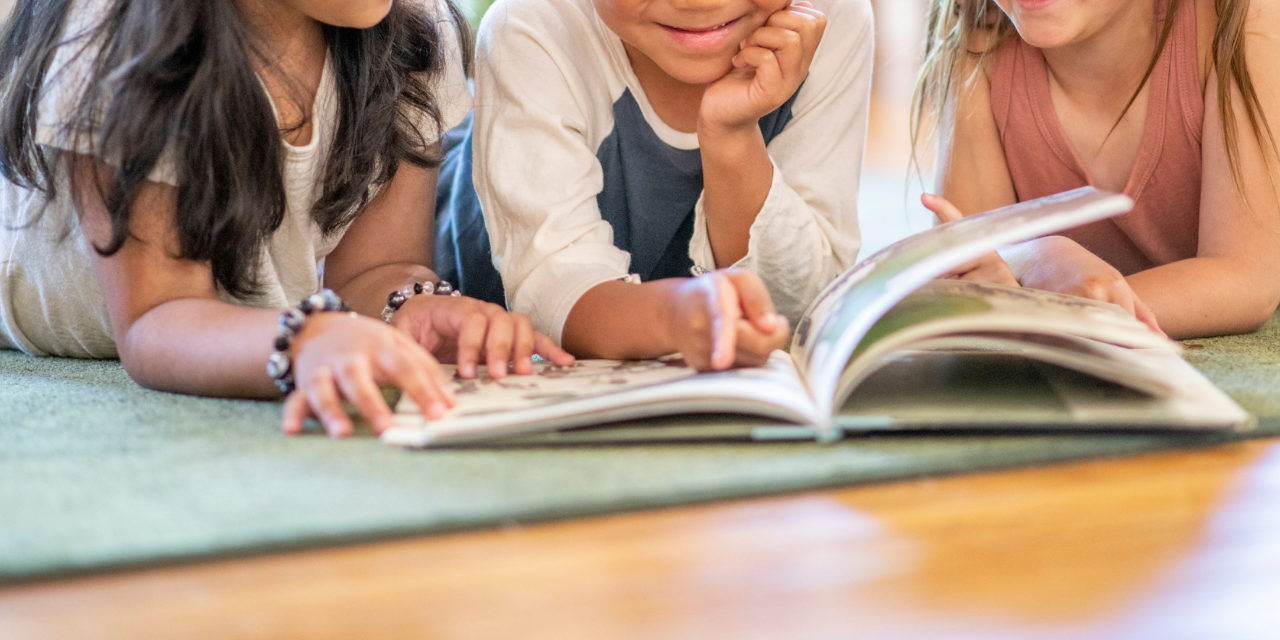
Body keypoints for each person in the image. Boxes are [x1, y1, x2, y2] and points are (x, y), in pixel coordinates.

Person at [0, 0, 573, 438]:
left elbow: (378, 268)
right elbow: (157, 318)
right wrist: (304, 338)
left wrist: (415, 304)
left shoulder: (415, 28)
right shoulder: (121, 33)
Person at [436, 0, 873, 370]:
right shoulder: (532, 25)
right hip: (469, 304)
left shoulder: (827, 19)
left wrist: (732, 135)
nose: (698, 3)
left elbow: (798, 307)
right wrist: (677, 316)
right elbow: (553, 289)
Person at [914, 0, 1280, 339]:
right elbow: (967, 268)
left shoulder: (1240, 16)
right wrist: (1035, 255)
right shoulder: (979, 28)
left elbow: (1248, 277)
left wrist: (1055, 306)